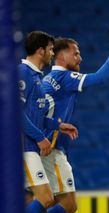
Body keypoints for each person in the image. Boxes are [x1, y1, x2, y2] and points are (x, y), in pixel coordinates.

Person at [41, 30, 109, 213]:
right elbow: (100, 78)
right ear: (61, 56)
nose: (80, 58)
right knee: (69, 204)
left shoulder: (49, 79)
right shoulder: (65, 77)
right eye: (75, 53)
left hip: (46, 146)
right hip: (52, 148)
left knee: (50, 201)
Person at [19, 31, 78, 213]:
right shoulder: (22, 73)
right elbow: (15, 113)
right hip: (23, 146)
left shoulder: (36, 77)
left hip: (30, 146)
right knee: (46, 198)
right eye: (51, 49)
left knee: (40, 199)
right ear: (40, 50)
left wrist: (57, 125)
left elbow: (36, 116)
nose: (53, 54)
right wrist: (39, 137)